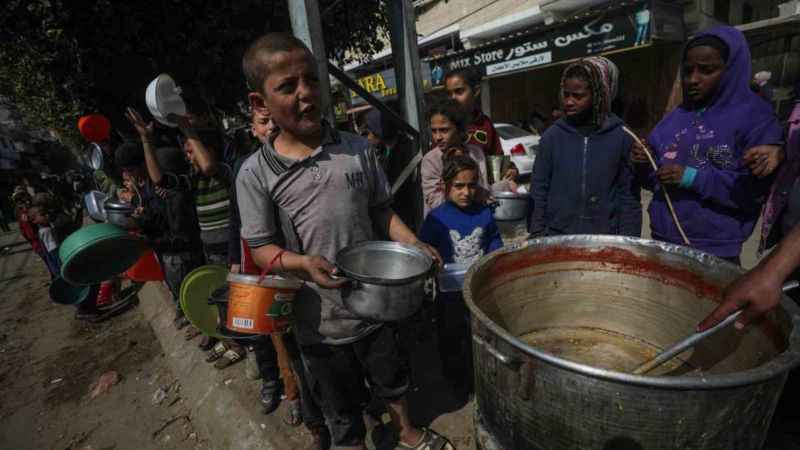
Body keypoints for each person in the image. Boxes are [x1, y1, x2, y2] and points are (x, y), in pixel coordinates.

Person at [237, 32, 452, 450]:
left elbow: (381, 211)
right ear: (259, 104)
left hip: (375, 303)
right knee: (340, 407)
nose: (306, 94)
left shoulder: (356, 150)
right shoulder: (256, 174)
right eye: (287, 86)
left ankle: (406, 433)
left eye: (311, 80)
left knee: (392, 377)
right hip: (317, 320)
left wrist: (412, 243)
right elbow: (261, 248)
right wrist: (302, 264)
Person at [632, 26, 784, 264]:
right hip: (663, 241)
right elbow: (654, 181)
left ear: (731, 69)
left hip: (715, 250)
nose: (693, 79)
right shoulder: (675, 118)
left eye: (707, 70)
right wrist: (644, 162)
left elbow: (751, 192)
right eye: (688, 70)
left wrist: (691, 177)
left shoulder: (755, 118)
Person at [529, 56, 641, 237]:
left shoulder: (622, 136)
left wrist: (629, 239)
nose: (569, 102)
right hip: (557, 235)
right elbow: (539, 188)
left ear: (599, 95)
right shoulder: (552, 136)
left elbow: (628, 195)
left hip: (605, 236)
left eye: (578, 96)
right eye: (566, 94)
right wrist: (537, 231)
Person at [419, 155, 502, 396]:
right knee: (451, 336)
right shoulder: (436, 218)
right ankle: (457, 382)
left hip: (479, 289)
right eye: (459, 186)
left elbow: (493, 239)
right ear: (444, 186)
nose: (466, 192)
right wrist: (431, 264)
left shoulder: (484, 213)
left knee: (480, 335)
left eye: (471, 185)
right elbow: (424, 248)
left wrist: (494, 256)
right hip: (449, 294)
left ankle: (481, 377)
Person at [421, 99, 515, 217]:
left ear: (459, 129)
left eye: (444, 130)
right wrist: (475, 195)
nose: (438, 137)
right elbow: (435, 202)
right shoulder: (431, 161)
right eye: (434, 131)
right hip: (444, 226)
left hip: (476, 221)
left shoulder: (475, 153)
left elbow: (484, 189)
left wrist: (506, 184)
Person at [445, 68, 518, 180]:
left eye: (459, 91)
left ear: (476, 91)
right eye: (449, 94)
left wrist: (510, 169)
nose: (453, 98)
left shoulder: (485, 124)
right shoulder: (443, 125)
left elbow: (497, 163)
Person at [363, 108, 420, 229]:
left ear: (379, 132)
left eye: (370, 132)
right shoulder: (383, 150)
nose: (368, 137)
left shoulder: (407, 150)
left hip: (406, 216)